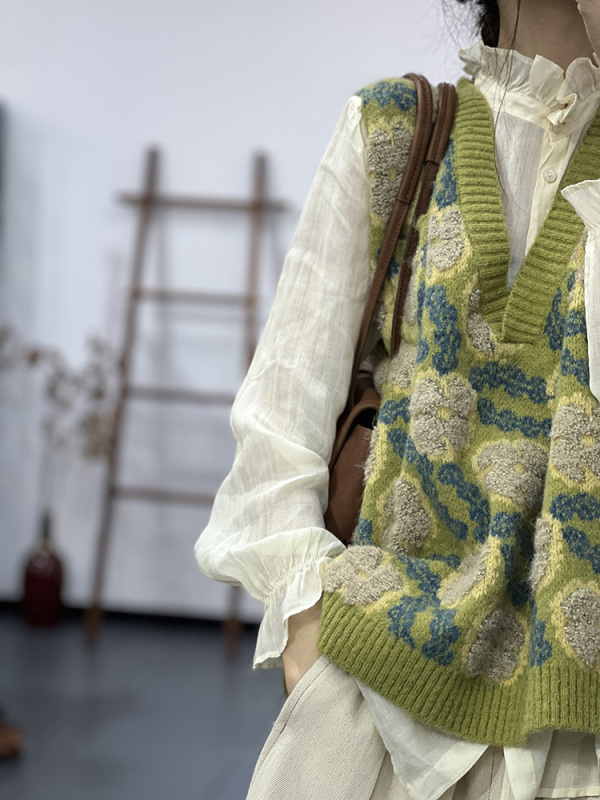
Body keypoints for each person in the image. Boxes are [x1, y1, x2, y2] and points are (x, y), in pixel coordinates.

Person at [195, 0, 600, 797]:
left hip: (574, 736)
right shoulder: (395, 131)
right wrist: (311, 636)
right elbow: (277, 429)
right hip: (372, 709)